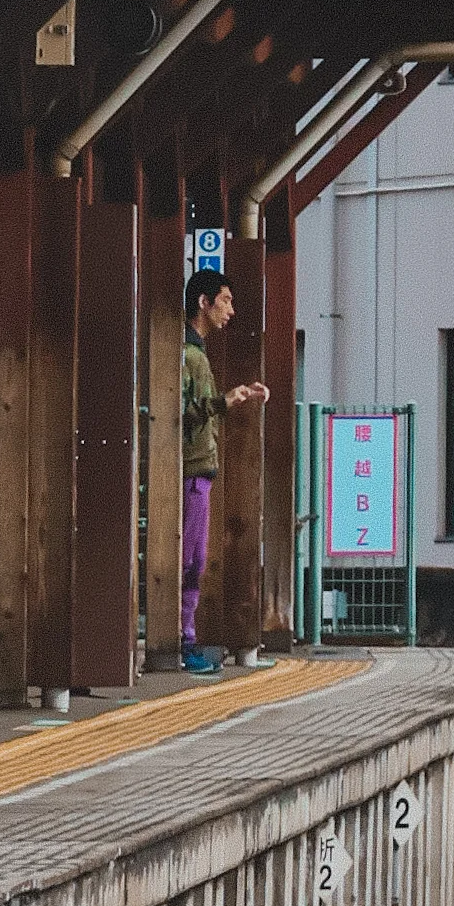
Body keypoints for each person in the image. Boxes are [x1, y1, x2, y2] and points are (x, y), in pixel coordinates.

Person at [177, 268, 268, 674]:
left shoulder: (194, 352)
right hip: (193, 469)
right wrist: (223, 402)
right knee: (190, 560)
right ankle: (183, 641)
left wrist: (232, 398)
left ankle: (186, 639)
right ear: (204, 302)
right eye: (226, 300)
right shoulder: (189, 354)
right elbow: (181, 411)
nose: (231, 309)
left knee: (194, 559)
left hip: (198, 469)